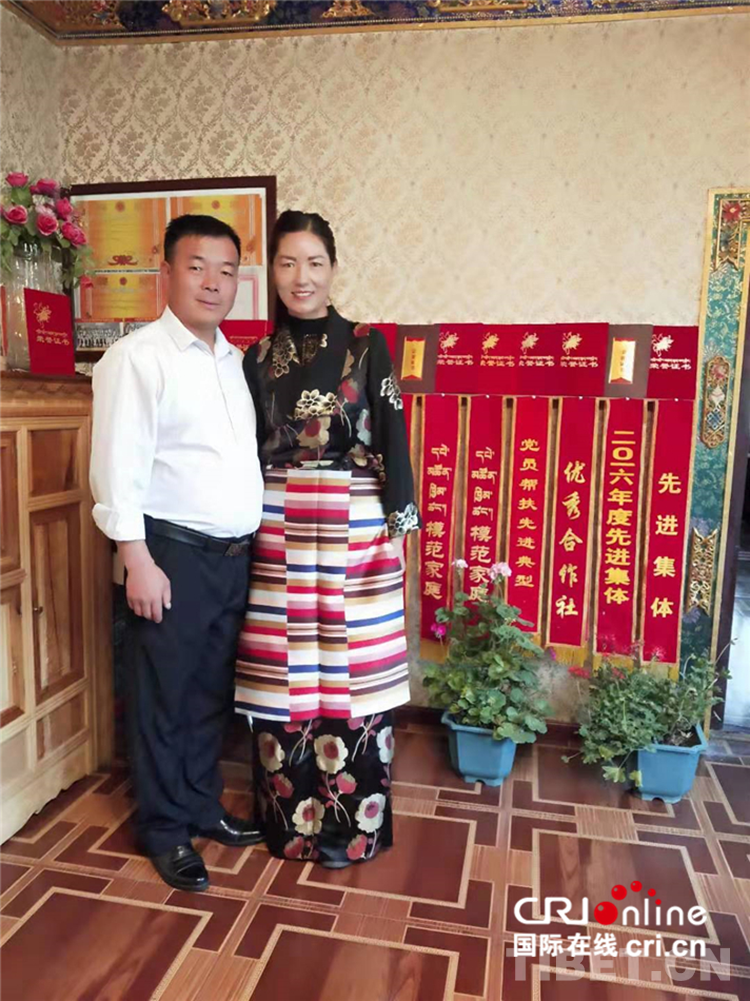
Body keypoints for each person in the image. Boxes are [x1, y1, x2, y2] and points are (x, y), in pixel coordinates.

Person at [235, 210, 420, 868]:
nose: (301, 277)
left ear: (333, 268)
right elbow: (243, 449)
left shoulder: (368, 345)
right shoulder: (257, 358)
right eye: (287, 263)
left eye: (314, 263)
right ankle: (289, 823)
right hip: (277, 521)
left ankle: (349, 826)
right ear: (272, 271)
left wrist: (399, 526)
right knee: (283, 674)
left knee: (354, 673)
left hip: (356, 522)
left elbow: (393, 434)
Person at [90, 214, 265, 893]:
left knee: (208, 693)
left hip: (232, 557)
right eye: (197, 267)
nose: (213, 283)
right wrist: (136, 558)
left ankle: (200, 805)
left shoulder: (234, 362)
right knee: (162, 695)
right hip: (170, 555)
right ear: (166, 273)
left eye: (226, 271)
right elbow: (118, 464)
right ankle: (164, 829)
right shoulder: (136, 358)